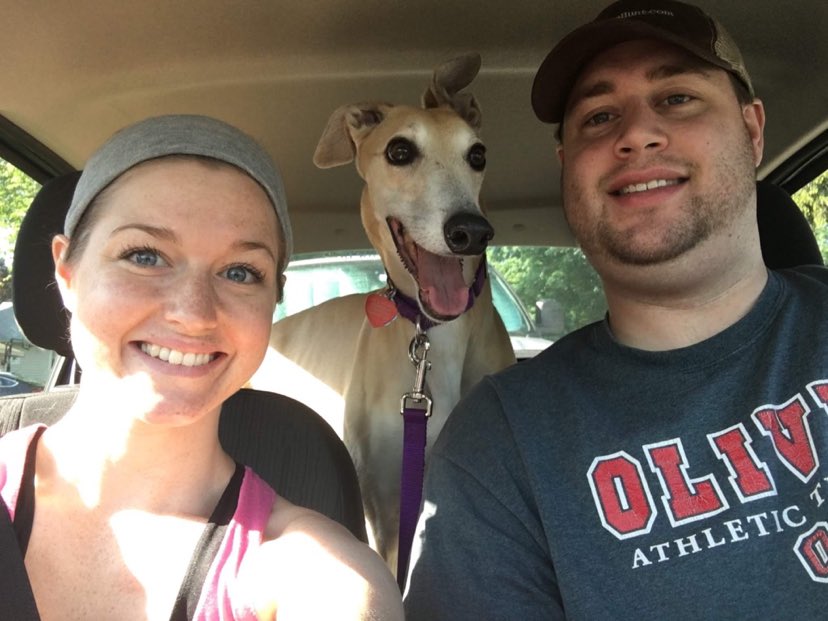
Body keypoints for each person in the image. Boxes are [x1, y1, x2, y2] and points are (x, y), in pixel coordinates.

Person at [403, 1, 828, 619]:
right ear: (567, 169)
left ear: (753, 130)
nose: (634, 133)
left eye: (677, 98)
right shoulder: (498, 447)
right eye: (599, 117)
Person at [0, 114, 403, 620]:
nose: (193, 314)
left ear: (273, 301)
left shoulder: (316, 576)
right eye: (144, 255)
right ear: (67, 273)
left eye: (241, 272)